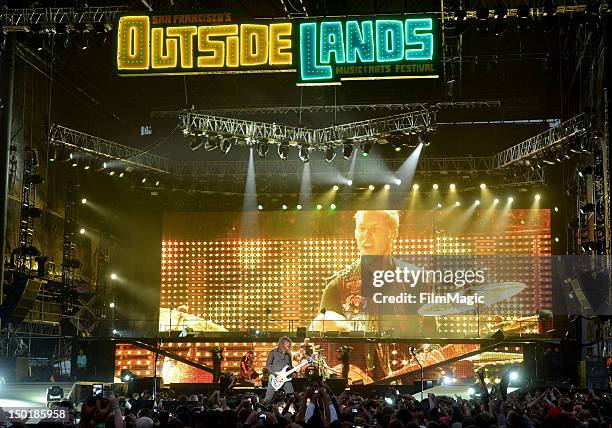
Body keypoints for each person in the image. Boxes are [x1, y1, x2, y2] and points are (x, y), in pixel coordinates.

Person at [311, 210, 437, 335]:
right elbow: (321, 340)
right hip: (357, 355)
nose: (366, 235)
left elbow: (432, 339)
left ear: (393, 233)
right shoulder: (338, 285)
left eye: (375, 229)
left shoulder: (418, 279)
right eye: (361, 229)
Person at [264, 336, 294, 401]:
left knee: (291, 396)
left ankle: (290, 410)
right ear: (282, 344)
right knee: (268, 399)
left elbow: (290, 367)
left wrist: (294, 371)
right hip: (275, 379)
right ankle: (262, 410)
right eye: (287, 344)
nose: (288, 346)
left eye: (289, 345)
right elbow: (267, 365)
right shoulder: (273, 352)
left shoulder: (288, 355)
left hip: (286, 379)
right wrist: (276, 375)